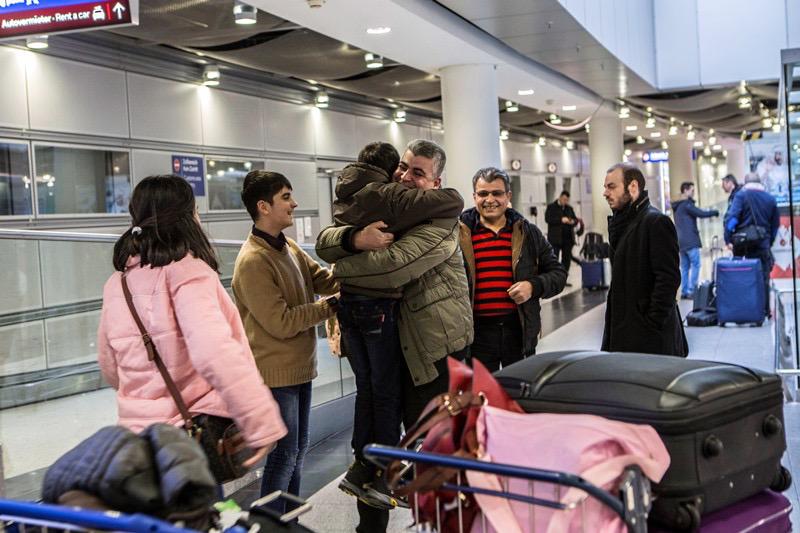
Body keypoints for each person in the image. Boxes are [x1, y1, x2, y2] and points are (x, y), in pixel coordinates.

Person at [316, 139, 472, 533]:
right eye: (403, 167)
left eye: (418, 172)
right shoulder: (390, 207)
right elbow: (324, 240)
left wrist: (341, 267)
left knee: (433, 453)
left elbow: (390, 269)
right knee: (379, 433)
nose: (405, 176)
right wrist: (352, 239)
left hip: (432, 354)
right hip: (395, 341)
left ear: (436, 183)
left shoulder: (441, 225)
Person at [97, 175, 287, 485]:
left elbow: (110, 367)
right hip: (187, 438)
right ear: (185, 216)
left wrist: (145, 393)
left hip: (136, 441)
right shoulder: (189, 273)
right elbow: (215, 352)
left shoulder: (117, 283)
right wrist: (261, 418)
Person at [232, 170, 339, 512]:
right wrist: (331, 308)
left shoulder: (287, 246)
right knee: (283, 456)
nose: (294, 204)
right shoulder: (252, 261)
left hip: (299, 368)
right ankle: (270, 523)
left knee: (296, 451)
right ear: (263, 206)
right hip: (275, 375)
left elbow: (322, 278)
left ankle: (287, 519)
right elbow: (281, 322)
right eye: (286, 197)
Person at [459, 167, 567, 372]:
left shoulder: (527, 233)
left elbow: (558, 273)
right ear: (474, 197)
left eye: (497, 193)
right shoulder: (459, 235)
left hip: (518, 330)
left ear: (508, 196)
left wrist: (532, 286)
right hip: (477, 335)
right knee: (483, 397)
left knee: (519, 395)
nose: (490, 199)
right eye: (483, 193)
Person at [601, 163, 688, 356]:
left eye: (611, 186)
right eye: (605, 187)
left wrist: (652, 322)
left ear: (633, 187)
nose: (605, 193)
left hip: (650, 339)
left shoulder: (656, 222)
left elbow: (668, 279)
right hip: (625, 335)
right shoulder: (621, 224)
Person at [723, 174, 780, 317]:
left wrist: (728, 238)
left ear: (746, 182)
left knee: (741, 275)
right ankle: (765, 310)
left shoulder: (741, 196)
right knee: (764, 277)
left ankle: (744, 308)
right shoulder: (770, 198)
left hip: (743, 245)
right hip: (762, 243)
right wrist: (769, 240)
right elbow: (775, 225)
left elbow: (732, 219)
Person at [671, 182, 719, 299]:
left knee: (685, 267)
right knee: (696, 265)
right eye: (692, 190)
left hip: (681, 242)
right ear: (685, 191)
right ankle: (691, 290)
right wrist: (714, 212)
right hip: (690, 240)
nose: (693, 193)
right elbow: (700, 213)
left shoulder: (678, 206)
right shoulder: (686, 205)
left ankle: (684, 291)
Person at [544, 190, 577, 283]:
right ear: (560, 197)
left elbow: (575, 219)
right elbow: (548, 219)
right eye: (564, 199)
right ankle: (554, 280)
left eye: (567, 200)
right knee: (554, 259)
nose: (565, 202)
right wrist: (560, 219)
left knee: (566, 260)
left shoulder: (569, 208)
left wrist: (572, 221)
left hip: (567, 239)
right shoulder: (551, 207)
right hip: (555, 239)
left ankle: (563, 279)